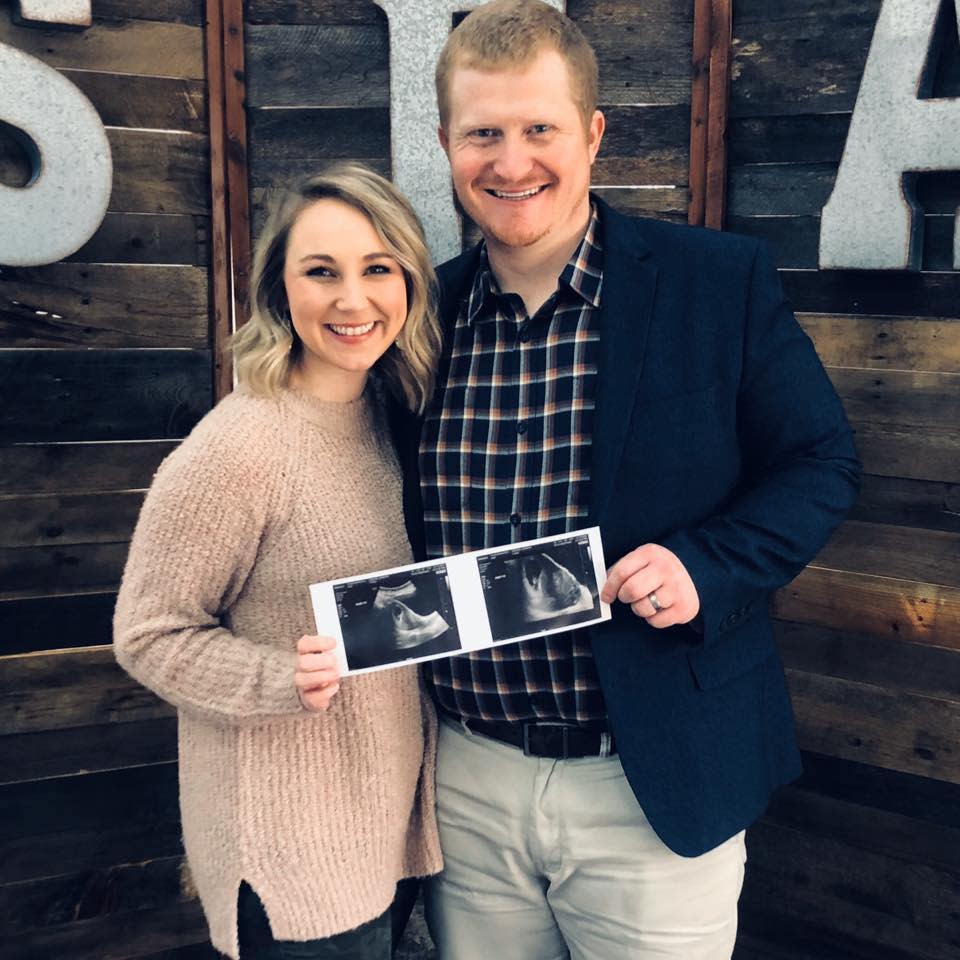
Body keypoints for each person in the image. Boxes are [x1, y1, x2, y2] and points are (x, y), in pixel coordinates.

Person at [394, 2, 862, 958]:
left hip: (652, 775)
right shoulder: (417, 317)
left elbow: (821, 463)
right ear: (444, 141)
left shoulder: (712, 281)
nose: (511, 161)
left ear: (593, 133)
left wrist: (707, 566)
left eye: (539, 130)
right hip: (465, 776)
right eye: (484, 132)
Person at [113, 164, 443, 960]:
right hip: (294, 856)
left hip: (383, 831)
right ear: (278, 290)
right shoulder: (242, 444)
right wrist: (275, 679)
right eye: (320, 272)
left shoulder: (389, 418)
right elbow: (148, 633)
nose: (352, 300)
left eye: (377, 269)